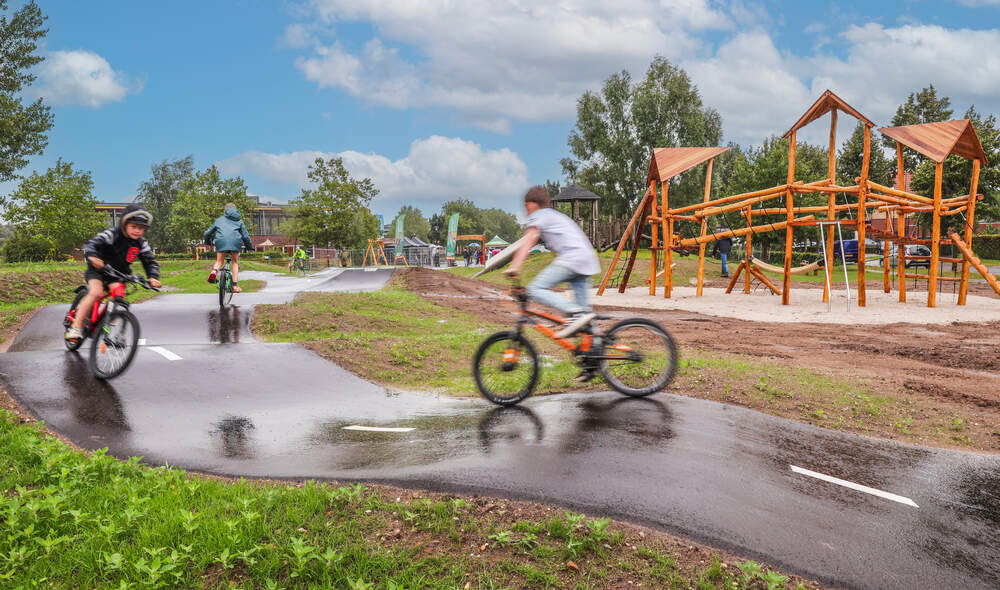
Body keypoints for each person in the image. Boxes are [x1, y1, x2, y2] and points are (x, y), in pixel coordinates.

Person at [506, 185, 600, 340]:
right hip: (586, 259)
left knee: (535, 289)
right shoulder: (555, 215)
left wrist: (515, 265)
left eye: (526, 207)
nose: (526, 211)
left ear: (531, 204)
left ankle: (574, 311)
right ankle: (596, 348)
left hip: (572, 259)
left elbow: (530, 238)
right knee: (584, 320)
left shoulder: (539, 215)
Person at [66, 204, 162, 343]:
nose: (137, 231)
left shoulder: (141, 244)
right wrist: (93, 256)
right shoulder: (112, 235)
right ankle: (76, 327)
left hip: (117, 275)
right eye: (133, 226)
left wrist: (153, 277)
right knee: (96, 293)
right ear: (124, 224)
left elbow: (149, 261)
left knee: (119, 297)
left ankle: (107, 320)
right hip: (98, 270)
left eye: (141, 228)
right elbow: (92, 244)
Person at [204, 203, 253, 292]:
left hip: (221, 241)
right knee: (235, 262)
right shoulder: (239, 221)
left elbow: (207, 233)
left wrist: (208, 242)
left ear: (225, 210)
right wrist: (249, 247)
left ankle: (214, 271)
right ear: (235, 210)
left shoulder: (219, 220)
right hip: (235, 242)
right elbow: (245, 236)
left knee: (219, 261)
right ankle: (235, 286)